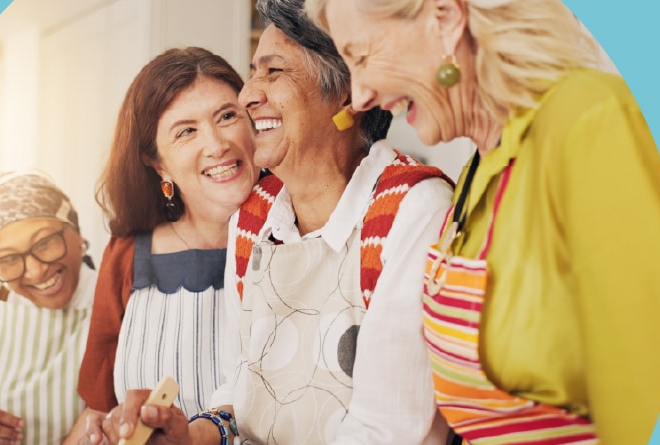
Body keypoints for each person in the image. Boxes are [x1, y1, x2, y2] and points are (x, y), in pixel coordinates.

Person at [304, 0, 660, 444]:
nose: (361, 95)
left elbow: (657, 394)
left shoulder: (589, 122)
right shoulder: (475, 176)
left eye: (362, 56)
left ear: (445, 19)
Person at [98, 1, 455, 444]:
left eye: (273, 72)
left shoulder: (412, 209)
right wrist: (191, 437)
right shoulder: (254, 216)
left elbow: (389, 430)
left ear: (347, 90)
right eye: (253, 72)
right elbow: (240, 392)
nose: (248, 94)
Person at [74, 47, 258, 442]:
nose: (217, 144)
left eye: (227, 116)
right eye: (186, 131)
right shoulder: (126, 254)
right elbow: (97, 411)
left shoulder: (299, 232)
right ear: (157, 162)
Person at [0, 170, 98, 445]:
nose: (36, 271)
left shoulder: (115, 305)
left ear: (76, 233)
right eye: (9, 259)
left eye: (46, 242)